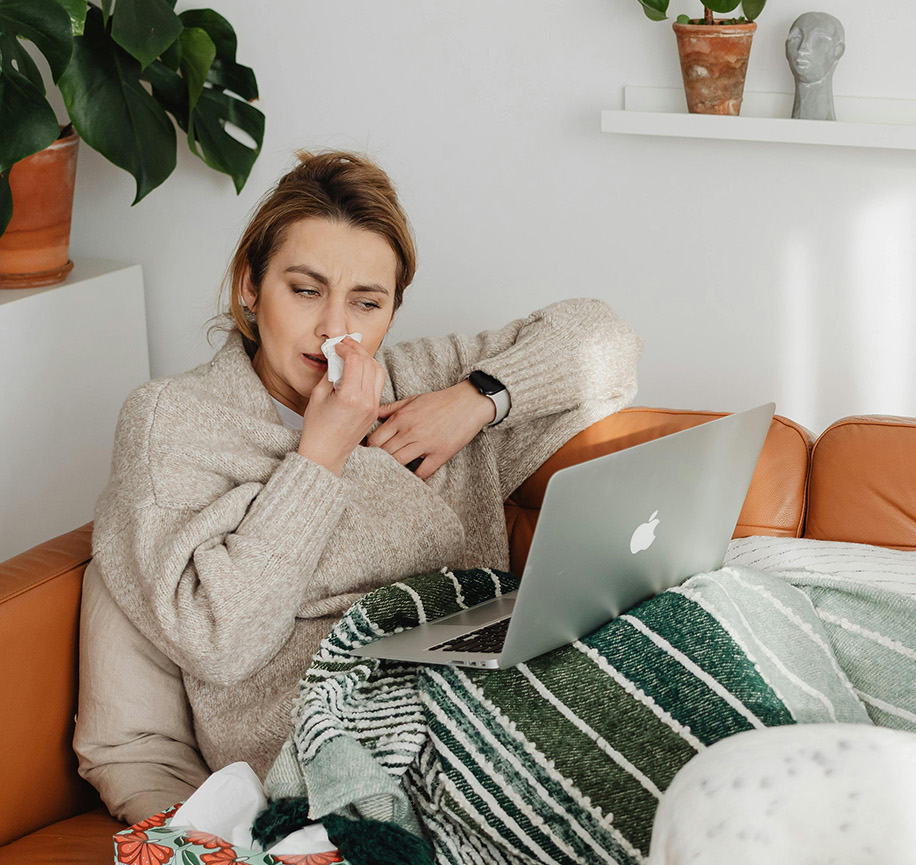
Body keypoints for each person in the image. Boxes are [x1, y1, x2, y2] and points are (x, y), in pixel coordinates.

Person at [75, 150, 642, 823]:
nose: (334, 329)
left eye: (366, 303)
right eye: (305, 290)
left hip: (479, 705)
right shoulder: (176, 420)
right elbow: (219, 643)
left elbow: (606, 341)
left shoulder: (417, 383)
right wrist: (320, 456)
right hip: (324, 758)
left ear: (392, 312)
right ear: (250, 286)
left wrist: (475, 400)